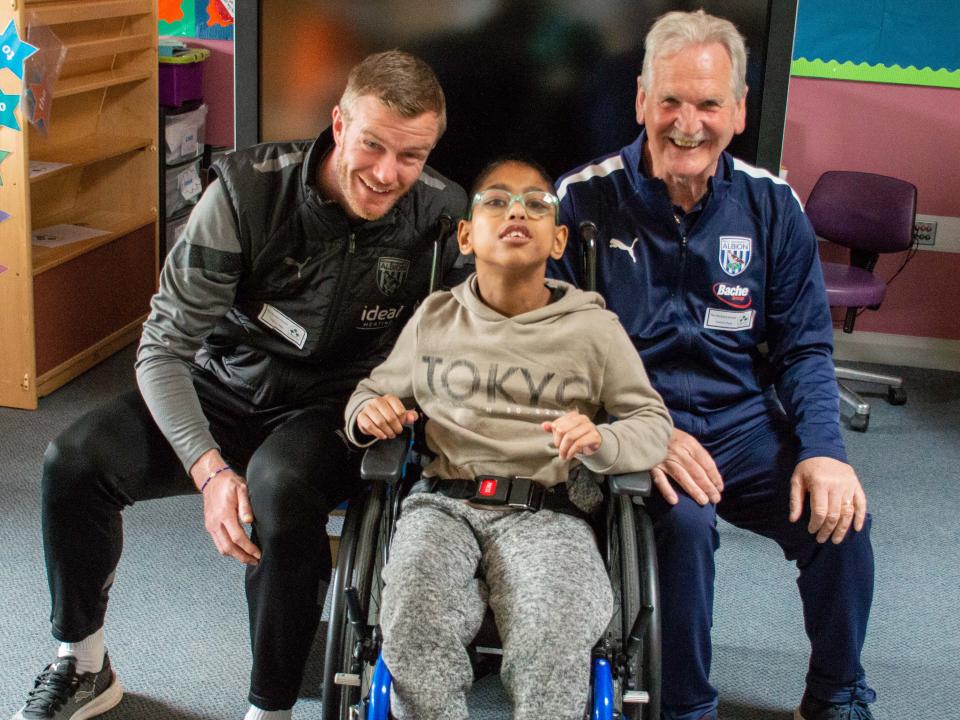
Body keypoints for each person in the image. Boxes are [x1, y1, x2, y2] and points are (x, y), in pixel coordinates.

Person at [12, 50, 467, 720]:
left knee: (279, 489)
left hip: (332, 407)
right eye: (372, 146)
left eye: (412, 155)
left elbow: (456, 340)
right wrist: (207, 467)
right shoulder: (246, 191)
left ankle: (271, 708)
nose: (386, 174)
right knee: (74, 461)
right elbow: (163, 346)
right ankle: (81, 664)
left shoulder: (440, 212)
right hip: (223, 385)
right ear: (339, 124)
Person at [551, 10, 876, 720]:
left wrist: (824, 451)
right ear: (641, 101)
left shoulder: (772, 206)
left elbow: (805, 348)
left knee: (842, 518)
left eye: (707, 104)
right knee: (685, 525)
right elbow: (550, 357)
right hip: (633, 427)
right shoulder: (579, 203)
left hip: (741, 424)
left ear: (738, 110)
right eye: (670, 101)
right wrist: (642, 431)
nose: (686, 123)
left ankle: (836, 696)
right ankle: (685, 707)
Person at [343, 157, 673, 720]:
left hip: (549, 508)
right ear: (466, 237)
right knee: (413, 615)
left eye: (536, 203)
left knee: (557, 625)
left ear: (558, 238)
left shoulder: (593, 328)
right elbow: (372, 392)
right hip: (443, 502)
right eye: (495, 201)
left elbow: (651, 421)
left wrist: (601, 439)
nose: (516, 209)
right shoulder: (436, 317)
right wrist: (368, 413)